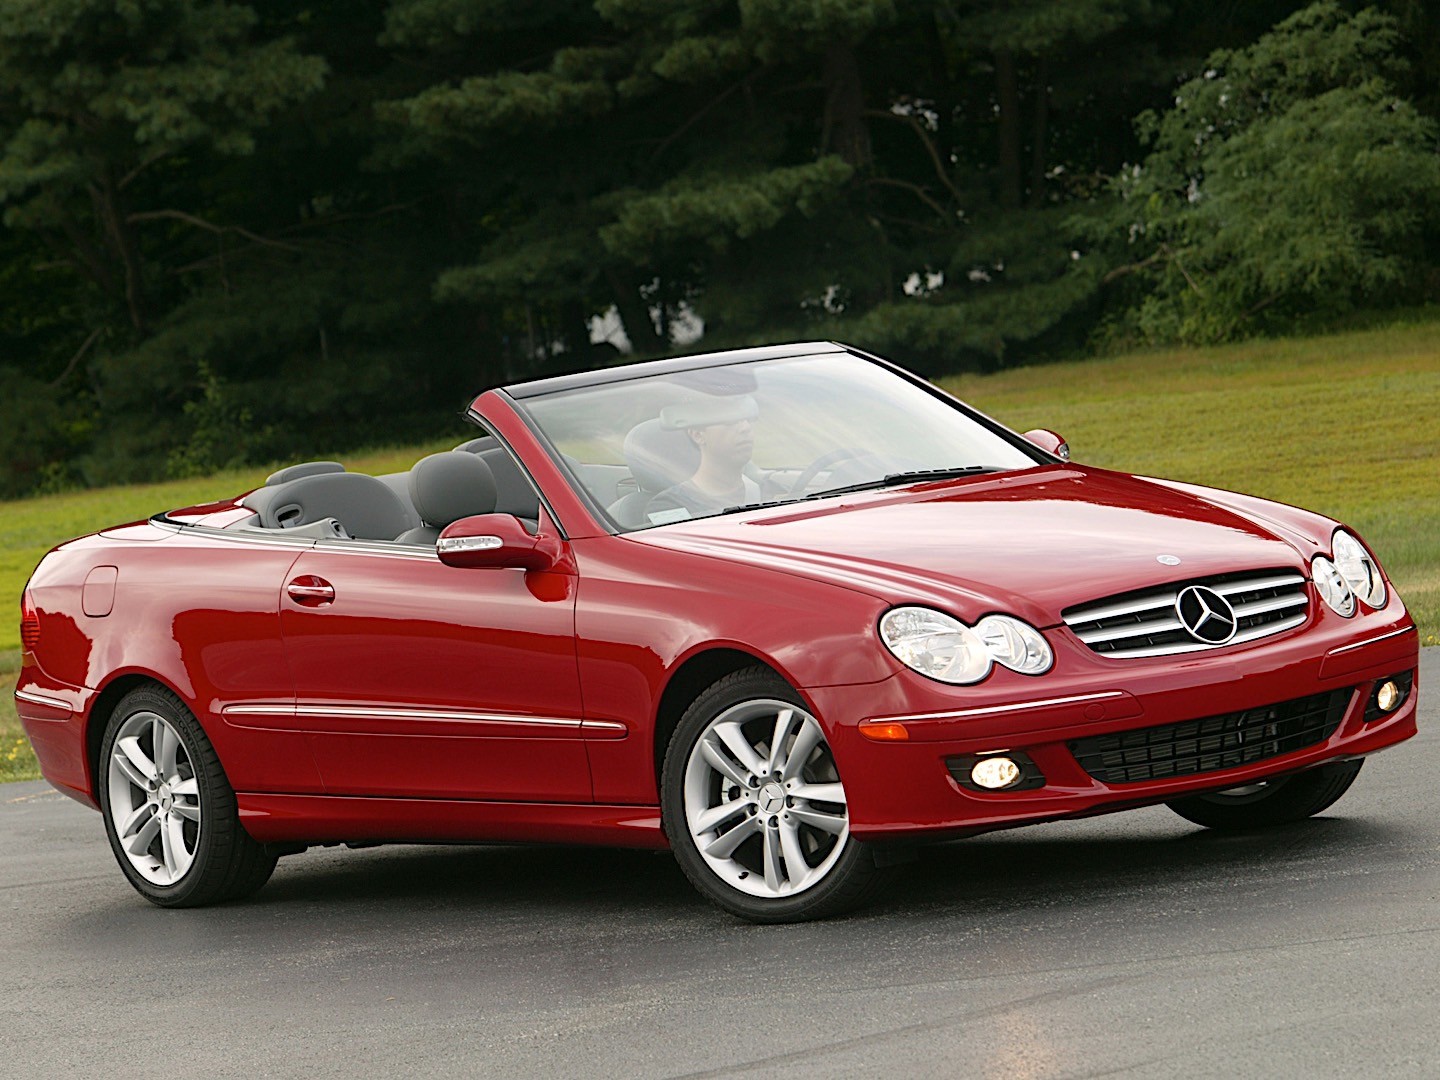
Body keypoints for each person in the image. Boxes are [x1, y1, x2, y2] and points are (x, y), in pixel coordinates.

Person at [644, 390, 764, 522]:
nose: (745, 427)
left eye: (747, 418)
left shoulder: (773, 493)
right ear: (697, 435)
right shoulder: (667, 508)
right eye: (729, 420)